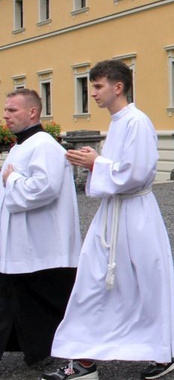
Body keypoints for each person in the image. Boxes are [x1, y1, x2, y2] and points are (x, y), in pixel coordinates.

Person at [45, 60, 174, 380]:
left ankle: (165, 351)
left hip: (135, 216)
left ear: (117, 87)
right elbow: (120, 167)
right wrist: (97, 163)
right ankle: (83, 359)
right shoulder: (120, 122)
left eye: (97, 86)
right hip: (112, 216)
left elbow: (138, 173)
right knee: (92, 283)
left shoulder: (137, 122)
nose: (92, 93)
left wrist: (97, 163)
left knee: (145, 285)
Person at [0, 89, 81, 367]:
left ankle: (76, 355)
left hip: (45, 248)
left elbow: (42, 189)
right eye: (6, 110)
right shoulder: (21, 146)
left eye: (12, 110)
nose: (5, 115)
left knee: (49, 304)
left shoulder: (44, 144)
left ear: (33, 112)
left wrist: (12, 181)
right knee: (15, 302)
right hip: (24, 247)